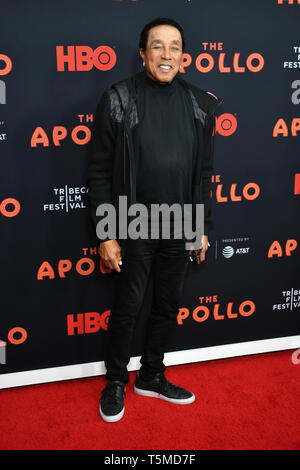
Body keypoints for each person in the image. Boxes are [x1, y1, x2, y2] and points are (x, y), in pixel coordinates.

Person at [86, 17, 222, 422]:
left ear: (184, 55)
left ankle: (151, 375)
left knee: (168, 304)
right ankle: (115, 381)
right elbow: (97, 173)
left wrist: (199, 226)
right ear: (143, 53)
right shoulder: (118, 99)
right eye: (158, 46)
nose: (167, 54)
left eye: (174, 47)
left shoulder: (200, 103)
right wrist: (106, 233)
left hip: (180, 221)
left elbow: (202, 173)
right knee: (128, 306)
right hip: (132, 223)